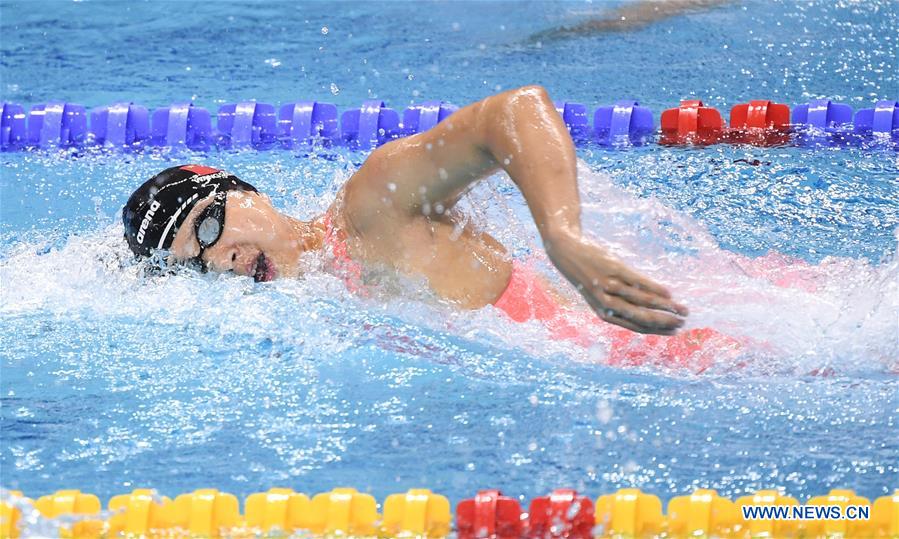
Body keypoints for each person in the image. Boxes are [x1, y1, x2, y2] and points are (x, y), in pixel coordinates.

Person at [124, 86, 696, 352]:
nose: (218, 262)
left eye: (206, 228)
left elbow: (514, 111)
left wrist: (562, 236)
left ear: (245, 191)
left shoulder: (371, 206)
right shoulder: (317, 309)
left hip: (662, 345)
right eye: (195, 267)